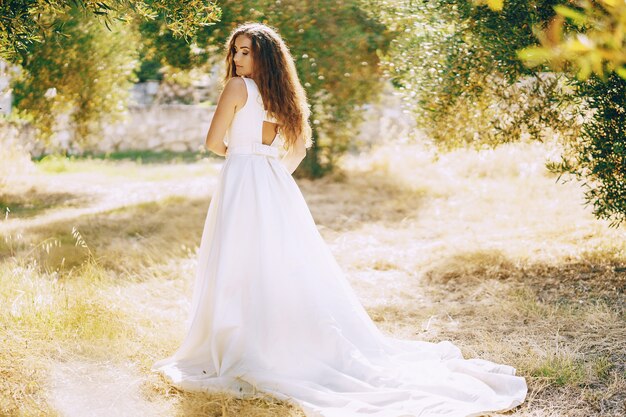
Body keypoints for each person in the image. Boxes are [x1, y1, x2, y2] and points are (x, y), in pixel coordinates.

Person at [152, 22, 528, 417]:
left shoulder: (236, 89)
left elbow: (213, 143)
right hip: (275, 185)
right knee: (280, 263)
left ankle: (240, 339)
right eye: (235, 52)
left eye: (245, 52)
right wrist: (268, 168)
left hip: (241, 179)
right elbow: (296, 150)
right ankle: (276, 338)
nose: (237, 59)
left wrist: (243, 154)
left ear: (261, 55)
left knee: (238, 259)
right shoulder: (285, 97)